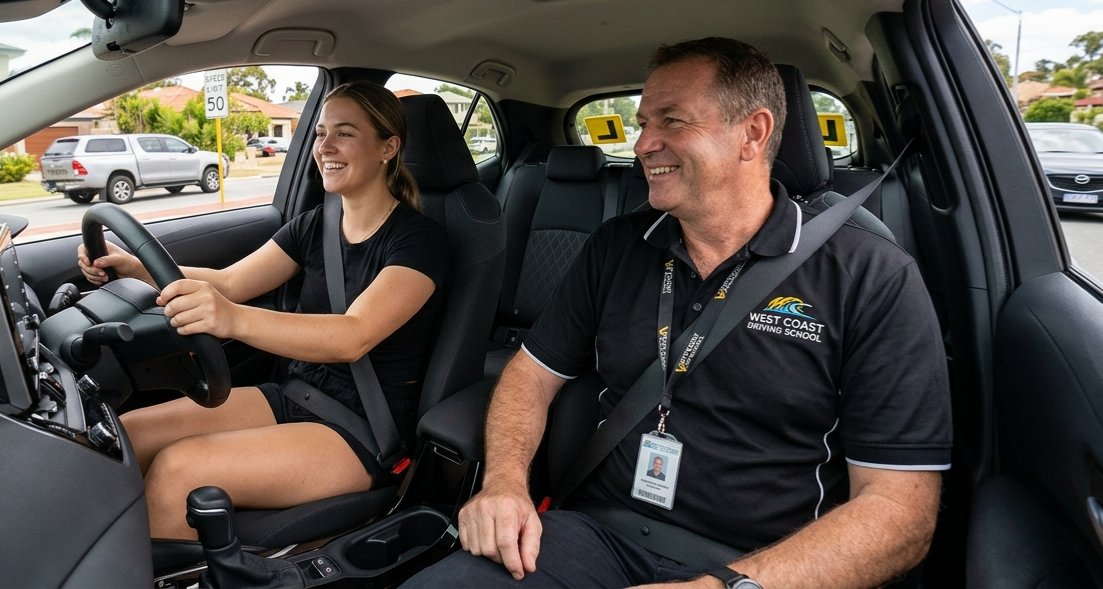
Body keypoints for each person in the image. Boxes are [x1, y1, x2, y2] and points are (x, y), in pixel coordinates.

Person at [408, 38, 951, 588]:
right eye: (644, 122)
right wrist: (503, 482)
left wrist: (723, 586)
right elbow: (531, 373)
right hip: (597, 536)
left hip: (770, 567)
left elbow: (901, 513)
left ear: (753, 133)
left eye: (672, 120)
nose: (644, 143)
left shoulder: (871, 275)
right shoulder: (616, 246)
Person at [78, 80, 449, 540]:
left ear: (388, 147)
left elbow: (354, 335)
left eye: (345, 133)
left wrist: (232, 317)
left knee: (181, 469)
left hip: (362, 430)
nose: (325, 147)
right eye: (319, 133)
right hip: (295, 395)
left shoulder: (420, 241)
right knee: (125, 436)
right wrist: (137, 269)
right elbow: (233, 281)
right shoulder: (317, 223)